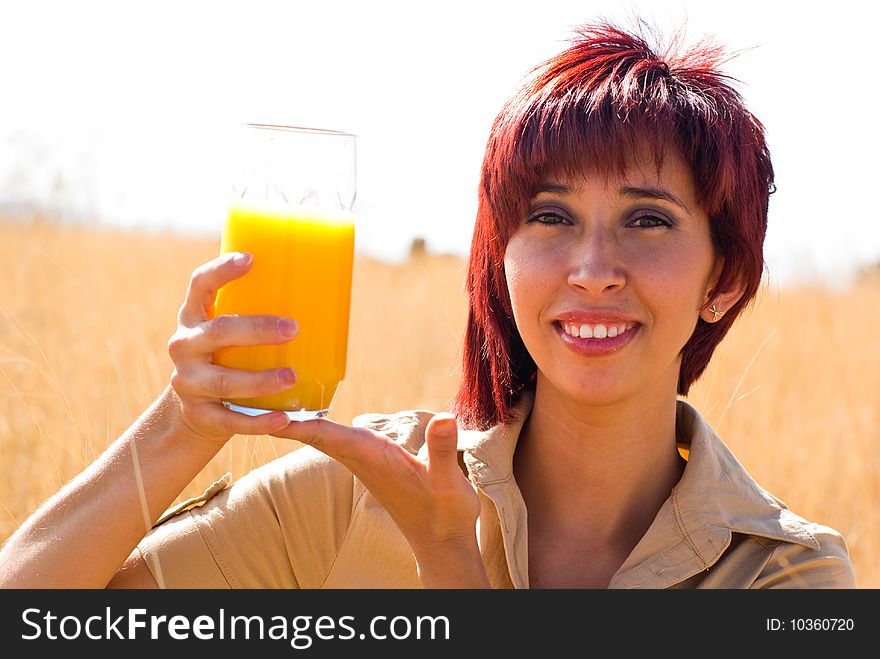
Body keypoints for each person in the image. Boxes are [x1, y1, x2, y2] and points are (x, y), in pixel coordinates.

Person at [0, 20, 855, 589]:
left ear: (725, 280)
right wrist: (186, 421)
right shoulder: (355, 489)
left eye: (647, 220)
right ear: (501, 260)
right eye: (551, 216)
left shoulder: (787, 575)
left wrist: (446, 559)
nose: (594, 269)